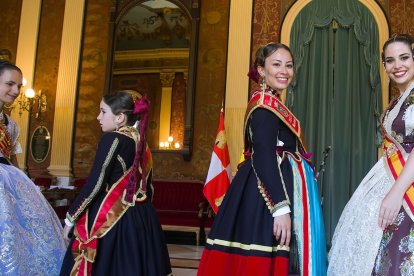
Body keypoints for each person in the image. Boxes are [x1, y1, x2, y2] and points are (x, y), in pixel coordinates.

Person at [197, 43, 326, 276]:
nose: (284, 71)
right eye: (276, 65)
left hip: (269, 188)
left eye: (288, 65)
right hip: (268, 195)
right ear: (261, 70)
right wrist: (280, 209)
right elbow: (264, 157)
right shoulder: (265, 107)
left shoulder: (269, 102)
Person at [59, 90, 172, 275]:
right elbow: (148, 188)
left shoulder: (112, 139)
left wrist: (71, 218)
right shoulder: (142, 143)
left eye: (103, 112)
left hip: (114, 221)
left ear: (120, 118)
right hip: (142, 218)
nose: (98, 117)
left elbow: (95, 183)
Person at [328, 34, 414, 275]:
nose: (397, 65)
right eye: (390, 60)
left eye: (404, 57)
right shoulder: (399, 99)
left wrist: (396, 192)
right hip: (391, 177)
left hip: (406, 187)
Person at [0, 60, 66, 274]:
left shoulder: (11, 124)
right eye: (10, 84)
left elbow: (12, 159)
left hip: (9, 179)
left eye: (19, 86)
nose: (16, 91)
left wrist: (25, 184)